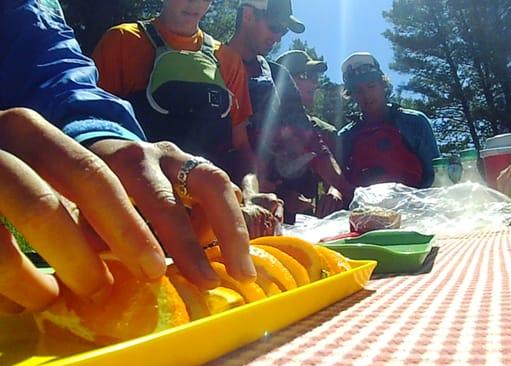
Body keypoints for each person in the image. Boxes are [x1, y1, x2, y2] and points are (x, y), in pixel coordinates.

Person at [0, 0, 256, 312]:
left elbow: (48, 62)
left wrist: (95, 134)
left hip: (147, 228)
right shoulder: (123, 39)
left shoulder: (228, 60)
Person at [92, 0, 254, 184]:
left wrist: (250, 191)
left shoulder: (229, 60)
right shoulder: (122, 40)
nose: (195, 3)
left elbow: (241, 146)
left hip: (210, 199)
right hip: (137, 194)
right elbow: (94, 127)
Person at [228, 0, 352, 223]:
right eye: (275, 27)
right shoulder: (211, 61)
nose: (278, 38)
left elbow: (312, 143)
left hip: (270, 210)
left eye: (284, 31)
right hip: (222, 202)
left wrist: (348, 193)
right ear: (248, 15)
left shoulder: (278, 75)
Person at [337, 52, 440, 189]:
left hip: (415, 206)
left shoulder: (415, 122)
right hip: (364, 209)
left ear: (383, 85)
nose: (366, 95)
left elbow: (436, 174)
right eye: (358, 90)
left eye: (371, 86)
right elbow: (341, 182)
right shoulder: (345, 136)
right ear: (352, 95)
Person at [275, 50, 343, 217]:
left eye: (316, 77)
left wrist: (335, 192)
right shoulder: (255, 124)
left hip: (309, 226)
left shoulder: (325, 131)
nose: (315, 83)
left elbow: (335, 182)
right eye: (306, 75)